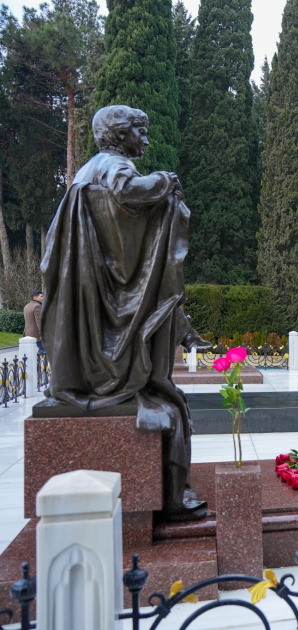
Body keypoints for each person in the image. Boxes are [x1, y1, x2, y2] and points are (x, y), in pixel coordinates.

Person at [39, 105, 205, 519]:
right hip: (106, 296)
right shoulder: (113, 166)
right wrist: (167, 181)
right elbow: (132, 192)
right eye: (140, 132)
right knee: (165, 397)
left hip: (94, 292)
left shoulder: (88, 170)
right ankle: (166, 495)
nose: (145, 140)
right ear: (120, 134)